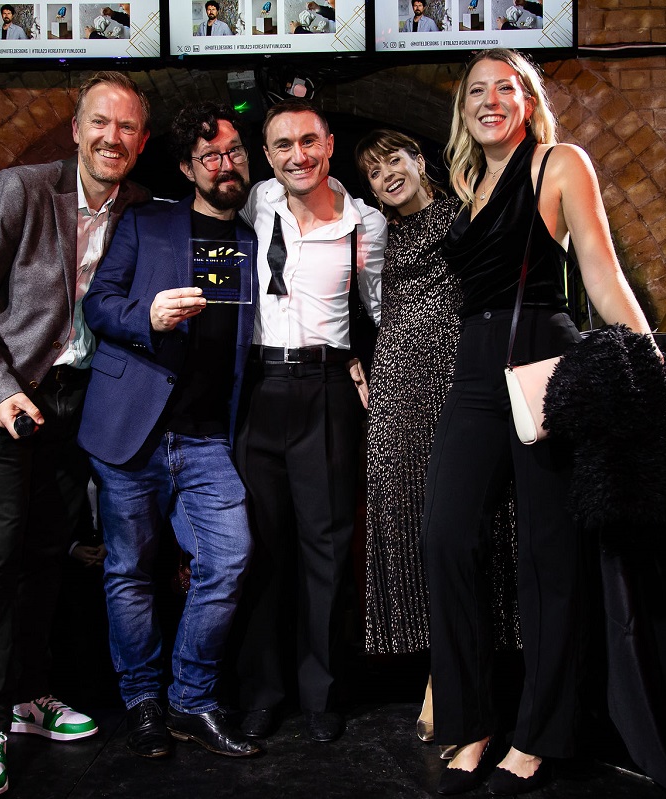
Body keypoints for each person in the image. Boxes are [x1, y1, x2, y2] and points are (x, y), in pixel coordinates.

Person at [423, 48, 654, 796]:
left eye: (506, 88)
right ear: (463, 109)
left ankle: (539, 736)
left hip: (543, 363)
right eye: (477, 91)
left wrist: (647, 356)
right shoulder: (469, 183)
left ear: (528, 101)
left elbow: (601, 272)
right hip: (474, 369)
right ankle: (471, 720)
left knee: (548, 558)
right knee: (447, 535)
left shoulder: (559, 163)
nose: (490, 100)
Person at [0, 71, 151, 799]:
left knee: (45, 557)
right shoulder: (20, 190)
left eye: (126, 127)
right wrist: (2, 392)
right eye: (101, 123)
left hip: (75, 406)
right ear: (77, 128)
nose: (112, 137)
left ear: (141, 140)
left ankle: (29, 697)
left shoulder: (140, 209)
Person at [77, 101, 261, 760]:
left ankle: (191, 695)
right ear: (187, 167)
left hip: (209, 437)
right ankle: (143, 702)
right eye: (209, 156)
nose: (224, 164)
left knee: (229, 557)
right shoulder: (148, 221)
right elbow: (98, 304)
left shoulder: (253, 239)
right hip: (133, 431)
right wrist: (145, 316)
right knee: (129, 571)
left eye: (234, 152)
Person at [353, 130, 520, 749]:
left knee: (469, 529)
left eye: (393, 160)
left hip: (458, 381)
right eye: (374, 172)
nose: (387, 175)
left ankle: (471, 678)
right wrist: (355, 359)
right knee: (409, 531)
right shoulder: (377, 236)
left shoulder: (463, 214)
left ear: (419, 159)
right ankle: (438, 673)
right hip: (397, 395)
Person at [231, 99, 386, 744]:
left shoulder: (364, 224)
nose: (298, 156)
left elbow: (382, 308)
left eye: (309, 142)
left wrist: (368, 369)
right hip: (260, 389)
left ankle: (323, 696)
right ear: (268, 157)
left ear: (329, 145)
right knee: (260, 547)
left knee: (325, 549)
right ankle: (263, 693)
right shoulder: (255, 202)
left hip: (326, 390)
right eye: (283, 145)